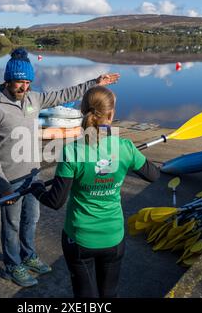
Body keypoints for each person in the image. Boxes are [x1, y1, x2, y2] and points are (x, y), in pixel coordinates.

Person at [0, 48, 120, 287]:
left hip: (33, 175)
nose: (24, 88)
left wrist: (94, 83)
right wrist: (1, 184)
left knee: (31, 219)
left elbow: (64, 94)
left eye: (27, 82)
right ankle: (12, 265)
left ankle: (29, 255)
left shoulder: (34, 99)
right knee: (11, 225)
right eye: (19, 83)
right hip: (9, 179)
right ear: (7, 80)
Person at [30, 86, 160, 297]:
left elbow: (55, 201)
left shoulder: (72, 151)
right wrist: (131, 157)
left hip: (80, 239)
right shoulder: (125, 147)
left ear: (83, 111)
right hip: (112, 237)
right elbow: (154, 175)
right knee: (109, 294)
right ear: (112, 113)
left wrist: (36, 189)